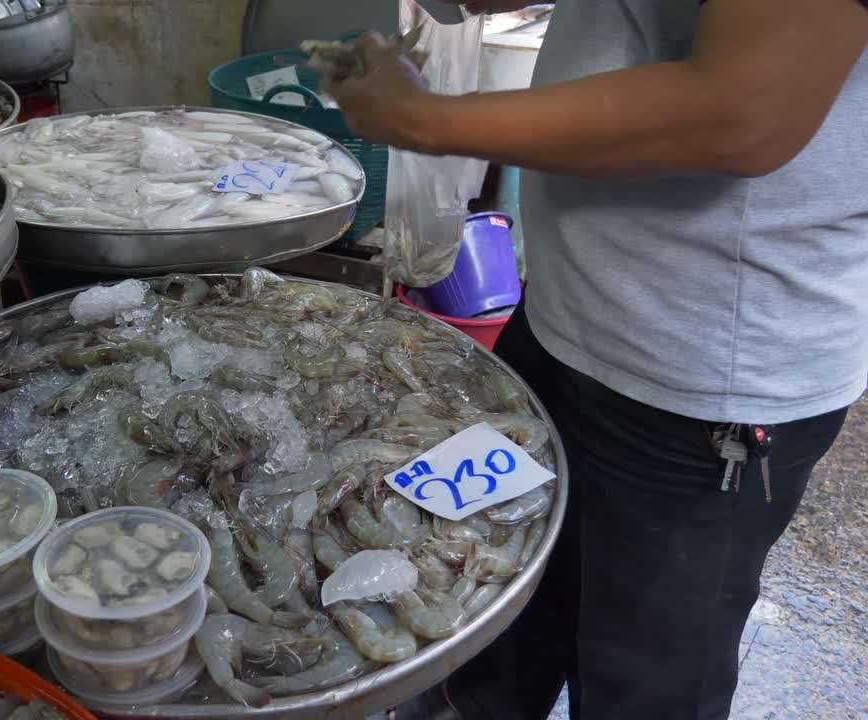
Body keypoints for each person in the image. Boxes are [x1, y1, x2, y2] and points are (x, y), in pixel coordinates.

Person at [320, 1, 868, 718]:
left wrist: (419, 118)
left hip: (697, 389)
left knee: (641, 690)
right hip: (563, 322)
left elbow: (743, 111)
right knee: (487, 625)